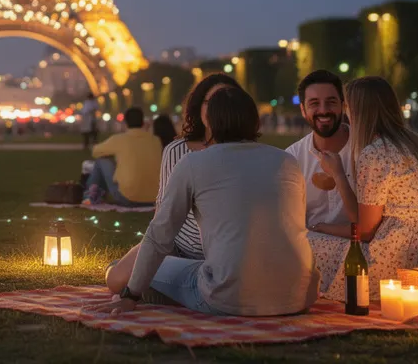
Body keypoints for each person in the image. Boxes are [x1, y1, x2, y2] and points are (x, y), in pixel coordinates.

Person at [89, 85, 318, 317]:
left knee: (122, 270)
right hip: (300, 296)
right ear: (255, 121)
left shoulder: (193, 163)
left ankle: (139, 291)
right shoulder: (286, 161)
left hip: (228, 297)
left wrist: (130, 296)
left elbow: (160, 235)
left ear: (208, 121)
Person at [307, 76, 418, 302]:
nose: (345, 114)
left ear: (359, 111)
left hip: (396, 259)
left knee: (306, 243)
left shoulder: (375, 153)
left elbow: (364, 231)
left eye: (348, 107)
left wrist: (320, 225)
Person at [105, 73, 238, 291]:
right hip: (176, 244)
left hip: (226, 251)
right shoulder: (177, 151)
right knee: (117, 279)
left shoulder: (248, 153)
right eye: (211, 102)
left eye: (226, 101)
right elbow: (162, 213)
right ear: (198, 107)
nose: (218, 109)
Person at [285, 70, 356, 229]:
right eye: (314, 103)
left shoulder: (365, 149)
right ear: (303, 110)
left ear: (343, 106)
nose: (323, 110)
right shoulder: (292, 158)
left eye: (331, 102)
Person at [85, 107, 161, 207]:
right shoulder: (155, 140)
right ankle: (93, 195)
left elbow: (95, 151)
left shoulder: (119, 139)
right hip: (153, 198)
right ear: (143, 122)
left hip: (128, 197)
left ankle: (90, 197)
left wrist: (112, 154)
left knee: (102, 160)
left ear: (125, 123)